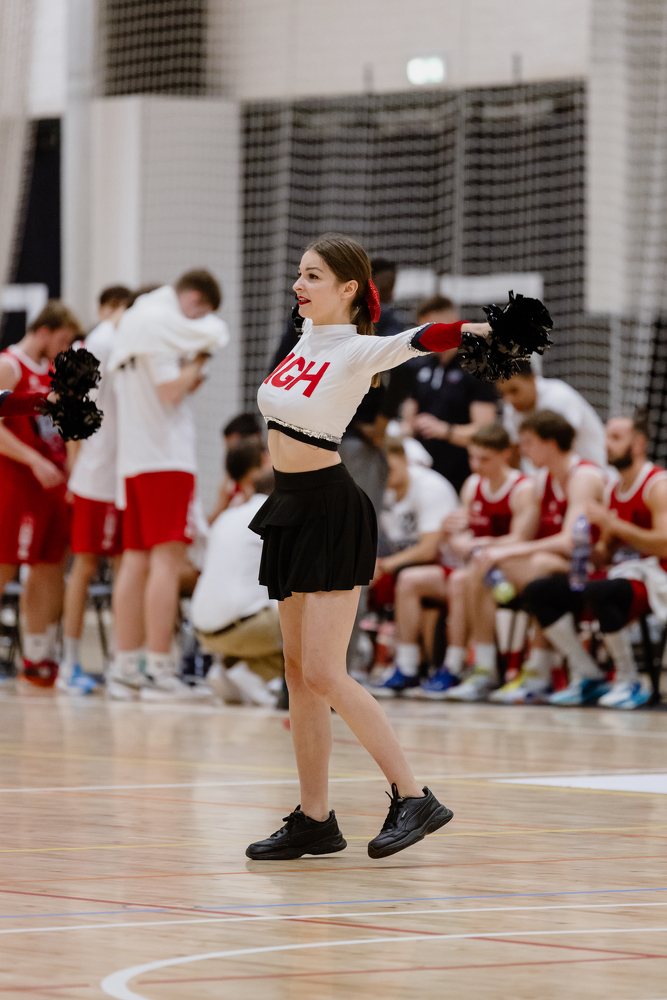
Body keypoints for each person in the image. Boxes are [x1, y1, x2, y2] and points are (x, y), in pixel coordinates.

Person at [246, 231, 491, 861]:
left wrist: (479, 330)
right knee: (298, 674)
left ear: (348, 288)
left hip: (331, 508)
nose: (298, 285)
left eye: (313, 276)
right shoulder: (306, 337)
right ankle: (314, 819)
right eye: (300, 273)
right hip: (290, 506)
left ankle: (414, 795)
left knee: (325, 671)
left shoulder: (359, 349)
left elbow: (421, 339)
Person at [106, 270, 229, 701]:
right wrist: (199, 362)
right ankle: (159, 670)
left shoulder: (136, 322)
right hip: (164, 458)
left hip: (135, 459)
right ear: (193, 298)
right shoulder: (157, 326)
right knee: (166, 562)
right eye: (200, 312)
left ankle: (126, 667)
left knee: (135, 561)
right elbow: (169, 391)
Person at [523, 413, 666, 710]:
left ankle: (629, 679)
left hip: (657, 577)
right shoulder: (613, 489)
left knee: (600, 591)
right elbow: (606, 554)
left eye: (616, 438)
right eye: (606, 437)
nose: (607, 444)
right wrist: (589, 547)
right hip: (623, 574)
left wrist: (614, 524)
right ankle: (588, 673)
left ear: (639, 444)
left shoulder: (658, 485)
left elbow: (664, 544)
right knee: (540, 590)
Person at [387, 424, 535, 701]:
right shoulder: (472, 485)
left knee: (462, 579)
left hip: (509, 569)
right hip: (474, 566)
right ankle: (409, 667)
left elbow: (521, 538)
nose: (476, 465)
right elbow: (460, 539)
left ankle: (467, 667)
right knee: (410, 580)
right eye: (472, 457)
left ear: (505, 455)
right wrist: (452, 534)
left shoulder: (523, 488)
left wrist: (478, 544)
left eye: (485, 459)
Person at [475, 410, 607, 704]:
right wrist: (488, 547)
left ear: (550, 443)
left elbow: (571, 541)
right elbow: (524, 537)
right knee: (482, 566)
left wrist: (508, 551)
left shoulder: (583, 476)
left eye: (528, 442)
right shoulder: (541, 479)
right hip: (556, 568)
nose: (522, 450)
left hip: (593, 566)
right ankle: (483, 668)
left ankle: (539, 671)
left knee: (538, 566)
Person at [0, 302, 83, 686]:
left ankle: (37, 654)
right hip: (16, 481)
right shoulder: (10, 364)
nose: (64, 348)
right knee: (4, 565)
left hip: (51, 485)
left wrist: (73, 466)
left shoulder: (52, 371)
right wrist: (33, 460)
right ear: (45, 330)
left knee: (49, 567)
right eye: (63, 339)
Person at [59, 285, 132, 694]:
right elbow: (68, 405)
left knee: (125, 566)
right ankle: (69, 662)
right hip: (96, 477)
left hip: (123, 473)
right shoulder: (94, 345)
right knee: (84, 567)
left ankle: (122, 661)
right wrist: (74, 467)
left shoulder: (123, 345)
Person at [369, 436, 459, 696]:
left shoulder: (429, 486)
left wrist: (383, 565)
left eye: (390, 468)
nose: (386, 475)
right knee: (354, 579)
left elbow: (428, 549)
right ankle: (357, 663)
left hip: (451, 567)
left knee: (408, 581)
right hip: (411, 568)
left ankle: (407, 667)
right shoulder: (383, 491)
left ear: (405, 460)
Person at [191, 468, 284, 707]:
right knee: (308, 625)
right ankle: (256, 672)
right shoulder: (276, 517)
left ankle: (227, 668)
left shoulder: (228, 516)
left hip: (202, 629)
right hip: (243, 627)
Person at [404, 295, 498, 493]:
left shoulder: (476, 367)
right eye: (422, 330)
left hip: (462, 474)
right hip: (423, 475)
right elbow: (408, 422)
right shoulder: (420, 366)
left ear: (453, 321)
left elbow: (485, 432)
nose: (426, 336)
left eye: (432, 329)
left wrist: (445, 430)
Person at [499, 361, 606, 470]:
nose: (509, 399)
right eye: (502, 393)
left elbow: (562, 448)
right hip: (551, 474)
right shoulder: (511, 408)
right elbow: (514, 451)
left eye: (514, 390)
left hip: (591, 470)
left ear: (532, 379)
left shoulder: (559, 397)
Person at [209, 417, 268, 523]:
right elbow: (213, 521)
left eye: (232, 447)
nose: (232, 453)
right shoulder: (230, 480)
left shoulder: (273, 472)